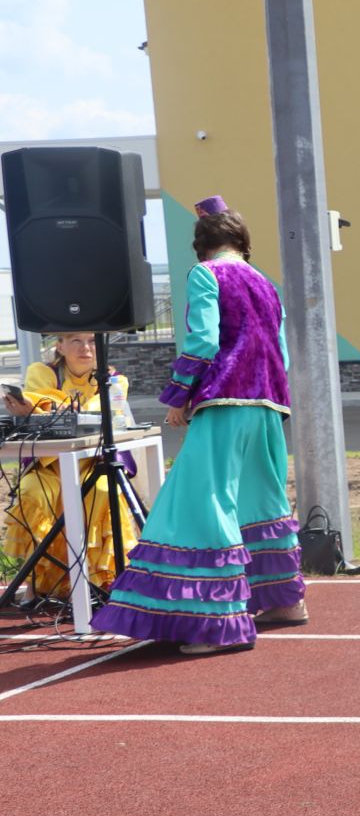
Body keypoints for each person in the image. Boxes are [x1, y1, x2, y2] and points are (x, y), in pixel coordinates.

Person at [93, 196, 306, 653]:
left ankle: (212, 624)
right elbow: (282, 352)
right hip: (268, 403)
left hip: (225, 399)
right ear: (242, 243)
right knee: (260, 499)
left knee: (203, 502)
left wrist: (179, 395)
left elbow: (205, 340)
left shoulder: (205, 274)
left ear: (202, 246)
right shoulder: (267, 284)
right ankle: (285, 602)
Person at [2, 331, 141, 596]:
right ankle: (37, 583)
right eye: (76, 340)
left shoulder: (114, 380)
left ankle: (102, 581)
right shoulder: (42, 371)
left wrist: (46, 409)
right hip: (49, 466)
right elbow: (41, 402)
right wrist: (49, 410)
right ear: (60, 345)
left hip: (93, 464)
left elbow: (94, 413)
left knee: (102, 492)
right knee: (32, 491)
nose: (86, 348)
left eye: (91, 341)